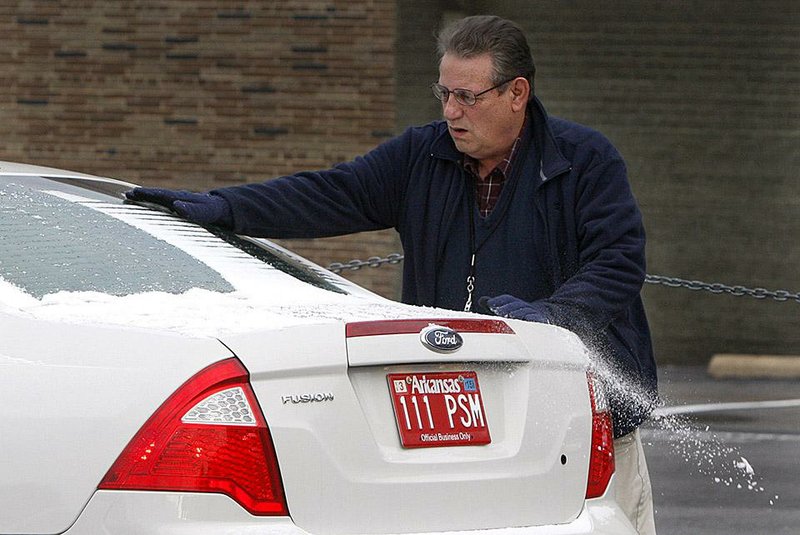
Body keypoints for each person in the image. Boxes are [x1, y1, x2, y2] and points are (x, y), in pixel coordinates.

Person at [127, 15, 658, 534]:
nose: (452, 112)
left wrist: (554, 318)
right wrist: (225, 208)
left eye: (467, 97)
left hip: (582, 421)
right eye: (444, 94)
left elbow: (618, 259)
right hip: (455, 422)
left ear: (516, 93)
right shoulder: (421, 155)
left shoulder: (584, 161)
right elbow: (330, 193)